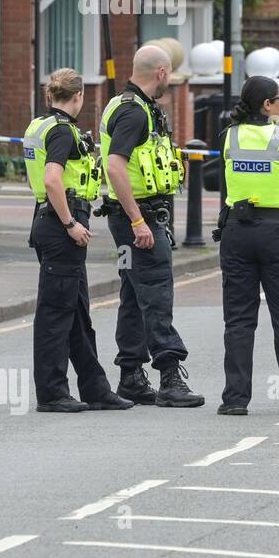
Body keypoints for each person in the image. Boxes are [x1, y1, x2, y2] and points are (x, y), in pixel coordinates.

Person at [23, 70, 134, 413]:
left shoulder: (38, 125)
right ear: (79, 97)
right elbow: (53, 180)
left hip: (50, 224)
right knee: (55, 314)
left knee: (76, 312)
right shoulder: (61, 131)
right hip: (61, 226)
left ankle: (95, 388)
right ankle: (52, 393)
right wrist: (70, 222)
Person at [99, 45, 203, 407]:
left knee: (132, 293)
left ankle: (130, 375)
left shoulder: (129, 105)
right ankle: (170, 375)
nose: (170, 81)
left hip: (128, 219)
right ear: (160, 72)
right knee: (157, 294)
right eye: (170, 74)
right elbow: (115, 167)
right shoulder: (134, 113)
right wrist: (139, 221)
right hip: (138, 221)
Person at [214, 76, 279, 416]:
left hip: (236, 233)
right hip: (277, 235)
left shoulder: (228, 136)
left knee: (239, 321)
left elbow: (217, 179)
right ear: (267, 105)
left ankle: (235, 400)